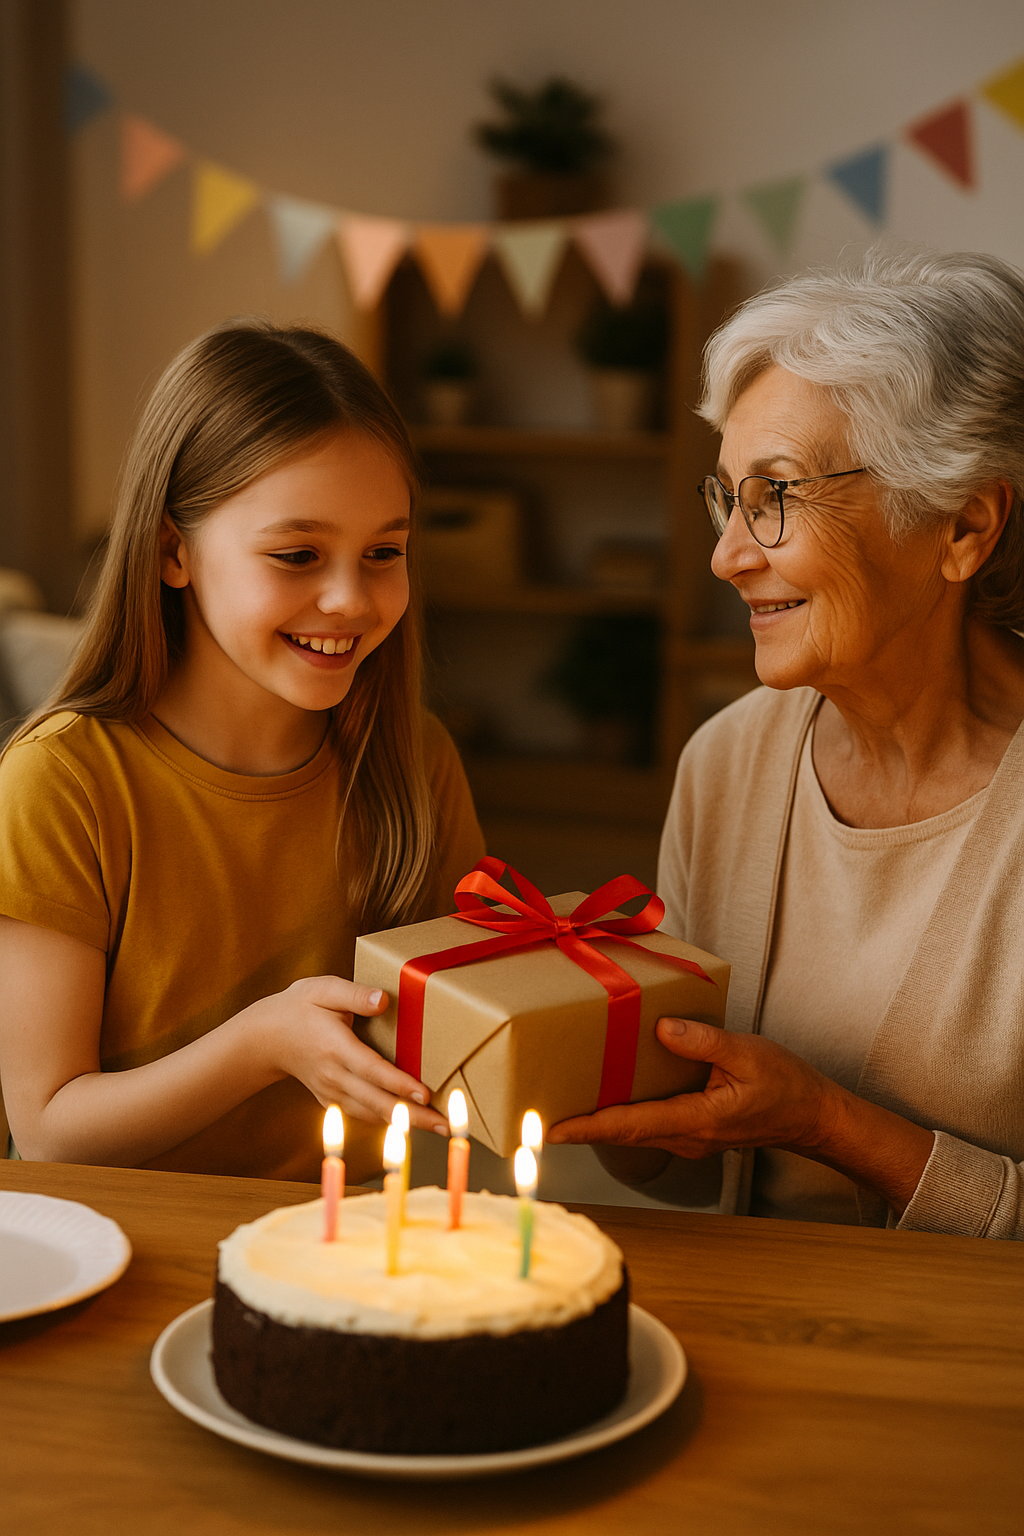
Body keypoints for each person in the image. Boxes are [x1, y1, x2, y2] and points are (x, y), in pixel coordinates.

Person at [549, 248, 1024, 1239]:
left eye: (774, 493)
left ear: (963, 526)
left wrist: (827, 1123)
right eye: (726, 498)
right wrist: (583, 1068)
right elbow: (687, 1183)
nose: (727, 556)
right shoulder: (725, 763)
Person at [0, 322, 484, 1181]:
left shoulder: (414, 760)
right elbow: (49, 1132)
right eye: (297, 554)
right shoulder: (61, 782)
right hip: (134, 1262)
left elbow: (462, 1044)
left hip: (360, 1250)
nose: (349, 598)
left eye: (384, 553)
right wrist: (264, 1042)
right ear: (172, 551)